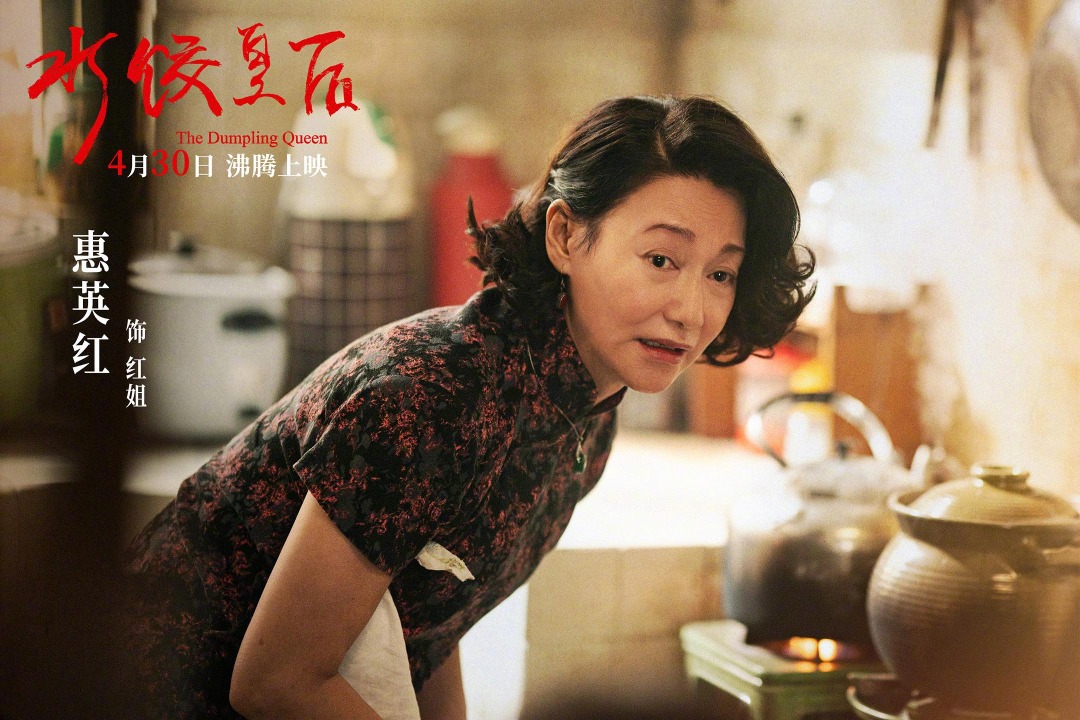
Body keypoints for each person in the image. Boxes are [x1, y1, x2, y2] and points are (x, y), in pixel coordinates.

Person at [124, 94, 815, 719]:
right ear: (565, 236)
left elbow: (429, 608)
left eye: (720, 273)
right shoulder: (431, 397)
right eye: (661, 260)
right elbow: (276, 682)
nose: (691, 311)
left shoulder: (586, 409)